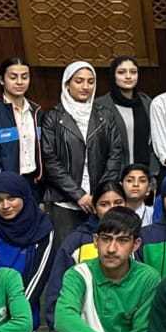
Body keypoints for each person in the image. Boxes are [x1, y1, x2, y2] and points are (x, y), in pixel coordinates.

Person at [37, 60, 127, 242]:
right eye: (79, 81)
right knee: (67, 251)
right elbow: (50, 161)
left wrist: (99, 195)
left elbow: (115, 155)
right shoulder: (52, 117)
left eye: (90, 81)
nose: (85, 86)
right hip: (64, 201)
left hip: (100, 202)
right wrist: (79, 195)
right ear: (67, 84)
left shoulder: (105, 116)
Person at [39, 178, 127, 332]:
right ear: (94, 208)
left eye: (118, 203)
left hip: (122, 328)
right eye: (104, 204)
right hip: (80, 327)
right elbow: (56, 289)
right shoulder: (76, 241)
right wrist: (58, 328)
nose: (112, 209)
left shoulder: (136, 239)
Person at [0, 172, 57, 328]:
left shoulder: (41, 229)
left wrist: (14, 316)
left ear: (24, 196)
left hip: (22, 312)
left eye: (11, 198)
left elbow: (37, 279)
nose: (6, 206)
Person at [0, 56, 42, 190]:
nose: (19, 82)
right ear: (2, 80)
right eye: (13, 77)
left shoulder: (37, 112)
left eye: (24, 77)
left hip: (35, 183)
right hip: (6, 185)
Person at [99, 56, 159, 185]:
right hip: (112, 177)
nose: (128, 76)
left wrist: (153, 174)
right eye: (121, 72)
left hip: (142, 177)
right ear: (113, 76)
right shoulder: (100, 106)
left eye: (133, 72)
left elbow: (153, 142)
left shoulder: (146, 103)